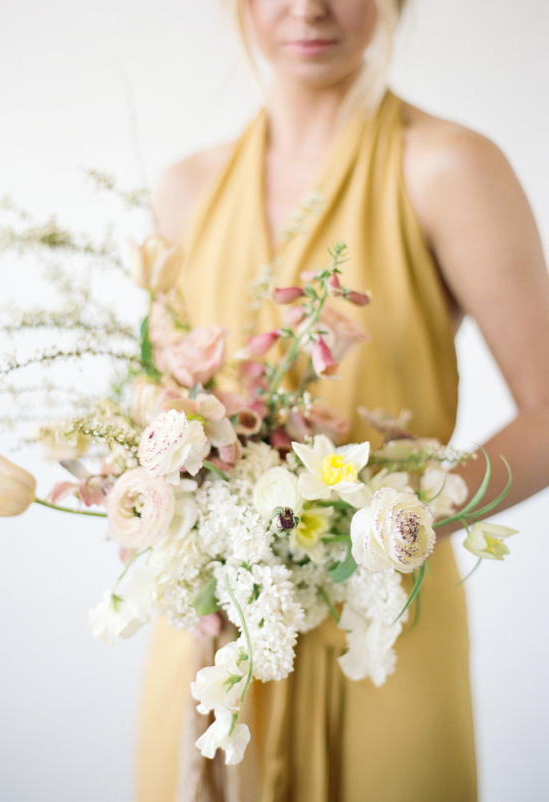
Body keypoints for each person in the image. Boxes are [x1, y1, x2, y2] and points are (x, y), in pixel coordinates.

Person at [138, 2, 549, 800]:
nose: (310, 8)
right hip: (211, 637)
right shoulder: (187, 188)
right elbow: (161, 406)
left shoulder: (448, 166)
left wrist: (375, 524)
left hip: (382, 625)